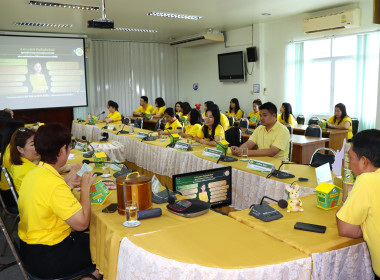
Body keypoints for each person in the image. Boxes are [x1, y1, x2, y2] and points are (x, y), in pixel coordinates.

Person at [18, 123, 101, 279]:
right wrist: (84, 188)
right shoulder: (54, 184)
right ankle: (92, 276)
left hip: (30, 250)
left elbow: (47, 201)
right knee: (106, 246)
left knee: (94, 236)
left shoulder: (34, 173)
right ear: (63, 150)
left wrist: (68, 185)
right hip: (50, 258)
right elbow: (82, 223)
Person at [336, 129, 380, 279]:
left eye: (351, 158)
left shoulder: (367, 180)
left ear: (364, 161)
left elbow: (347, 229)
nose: (350, 164)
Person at [9, 128, 40, 193]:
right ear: (20, 149)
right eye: (33, 145)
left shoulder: (21, 164)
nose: (38, 147)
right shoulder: (25, 172)